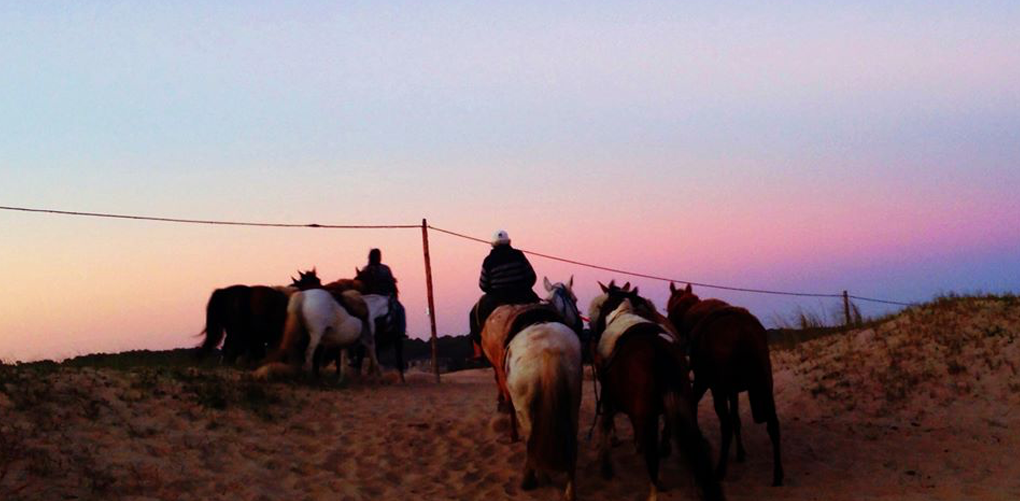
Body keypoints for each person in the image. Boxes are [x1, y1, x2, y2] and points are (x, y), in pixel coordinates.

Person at [469, 230, 540, 353]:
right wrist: (523, 287)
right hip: (523, 294)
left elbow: (483, 285)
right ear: (508, 242)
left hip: (497, 298)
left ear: (493, 244)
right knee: (541, 309)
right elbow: (531, 276)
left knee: (473, 315)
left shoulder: (488, 260)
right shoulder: (518, 255)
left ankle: (479, 350)